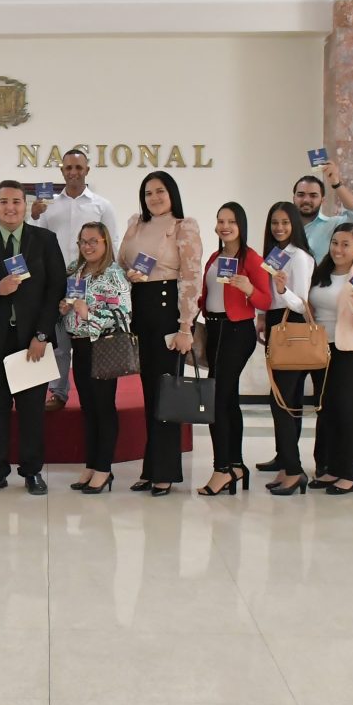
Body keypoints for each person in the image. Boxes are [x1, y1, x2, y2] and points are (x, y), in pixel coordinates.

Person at [0, 180, 68, 495]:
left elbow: (55, 289)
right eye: (4, 201)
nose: (10, 208)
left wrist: (42, 335)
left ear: (25, 205)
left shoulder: (45, 240)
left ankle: (32, 471)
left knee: (32, 411)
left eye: (17, 202)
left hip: (31, 341)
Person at [119, 171, 204, 496]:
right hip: (141, 312)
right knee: (150, 396)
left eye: (160, 191)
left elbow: (191, 277)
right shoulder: (135, 224)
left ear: (172, 194)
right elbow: (122, 262)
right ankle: (151, 466)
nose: (154, 197)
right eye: (148, 192)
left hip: (169, 314)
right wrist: (129, 273)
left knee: (167, 395)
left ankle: (165, 471)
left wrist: (186, 326)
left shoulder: (184, 226)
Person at [32, 148, 121, 409]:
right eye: (69, 168)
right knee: (59, 342)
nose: (73, 172)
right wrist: (34, 215)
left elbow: (113, 242)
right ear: (62, 172)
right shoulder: (48, 206)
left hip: (92, 281)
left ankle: (93, 391)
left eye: (78, 168)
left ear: (87, 170)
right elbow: (39, 243)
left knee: (89, 340)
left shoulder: (102, 205)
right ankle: (58, 392)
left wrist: (105, 279)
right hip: (59, 281)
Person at [197, 203, 270, 497]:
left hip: (237, 331)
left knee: (217, 398)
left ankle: (221, 469)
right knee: (227, 400)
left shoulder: (251, 259)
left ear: (241, 225)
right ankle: (236, 465)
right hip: (214, 329)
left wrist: (249, 288)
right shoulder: (215, 257)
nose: (224, 226)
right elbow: (207, 296)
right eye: (220, 221)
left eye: (231, 221)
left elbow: (265, 300)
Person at [305, 224, 353, 496]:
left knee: (347, 411)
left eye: (346, 244)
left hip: (352, 351)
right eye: (335, 243)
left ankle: (348, 473)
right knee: (326, 410)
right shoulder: (321, 274)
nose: (338, 249)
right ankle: (329, 468)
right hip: (320, 349)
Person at [64, 222, 132, 492]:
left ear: (105, 242)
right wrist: (65, 307)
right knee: (88, 408)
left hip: (103, 346)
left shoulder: (114, 274)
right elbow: (70, 300)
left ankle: (104, 468)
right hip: (79, 346)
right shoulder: (76, 270)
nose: (88, 246)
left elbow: (124, 316)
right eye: (83, 241)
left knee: (103, 408)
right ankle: (91, 464)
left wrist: (88, 313)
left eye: (94, 241)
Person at [258, 201, 318, 494]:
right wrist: (262, 316)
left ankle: (294, 470)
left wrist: (282, 290)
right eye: (274, 223)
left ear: (294, 223)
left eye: (284, 222)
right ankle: (286, 463)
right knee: (284, 399)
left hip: (291, 326)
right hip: (274, 322)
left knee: (282, 401)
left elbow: (302, 303)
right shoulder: (275, 255)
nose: (279, 228)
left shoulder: (301, 257)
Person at [294, 161, 353, 262]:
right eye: (301, 194)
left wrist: (336, 184)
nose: (306, 200)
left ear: (322, 200)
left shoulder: (333, 226)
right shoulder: (283, 228)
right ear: (294, 198)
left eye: (313, 195)